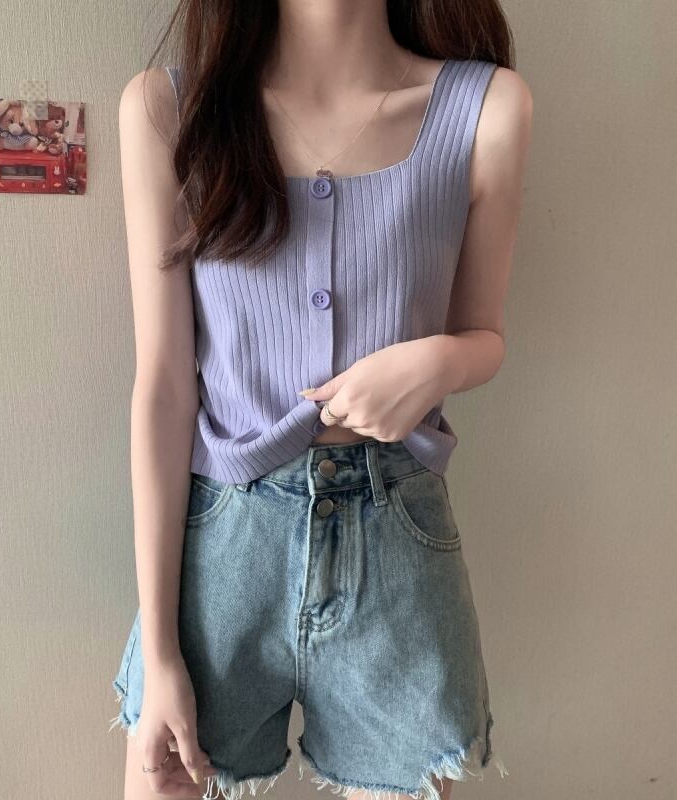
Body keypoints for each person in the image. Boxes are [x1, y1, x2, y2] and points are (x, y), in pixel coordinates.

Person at [109, 2, 532, 799]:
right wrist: (160, 652)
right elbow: (163, 384)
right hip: (220, 549)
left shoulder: (487, 108)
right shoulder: (169, 111)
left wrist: (439, 359)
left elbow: (486, 336)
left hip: (398, 546)